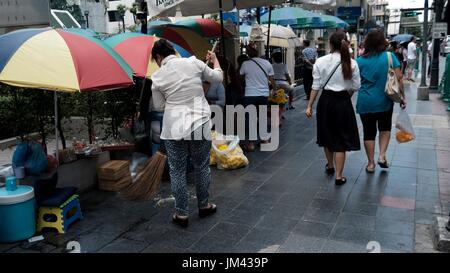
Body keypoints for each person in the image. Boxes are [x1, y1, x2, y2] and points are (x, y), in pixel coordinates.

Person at [150, 39, 223, 228]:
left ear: (158, 57)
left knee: (177, 171)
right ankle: (204, 205)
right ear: (173, 50)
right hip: (200, 122)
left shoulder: (157, 77)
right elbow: (218, 77)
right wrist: (214, 60)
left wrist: (175, 103)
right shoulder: (194, 63)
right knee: (201, 166)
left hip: (174, 127)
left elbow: (159, 106)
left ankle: (181, 214)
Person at [305, 31, 361, 186]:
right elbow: (356, 86)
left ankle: (330, 166)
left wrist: (309, 105)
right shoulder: (352, 63)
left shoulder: (320, 61)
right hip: (343, 101)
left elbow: (315, 86)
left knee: (326, 134)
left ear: (330, 44)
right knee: (341, 139)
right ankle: (339, 175)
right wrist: (345, 96)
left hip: (326, 101)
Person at [356, 30, 407, 173]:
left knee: (368, 132)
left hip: (365, 101)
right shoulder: (389, 57)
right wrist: (402, 97)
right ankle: (382, 156)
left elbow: (354, 82)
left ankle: (370, 163)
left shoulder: (359, 61)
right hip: (385, 101)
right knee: (384, 129)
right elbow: (399, 78)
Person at [239, 42, 276, 151]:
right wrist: (274, 90)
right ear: (257, 52)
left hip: (250, 95)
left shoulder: (245, 64)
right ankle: (264, 140)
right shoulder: (266, 63)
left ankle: (251, 144)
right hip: (263, 94)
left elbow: (240, 77)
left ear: (248, 52)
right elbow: (272, 79)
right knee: (263, 117)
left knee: (251, 118)